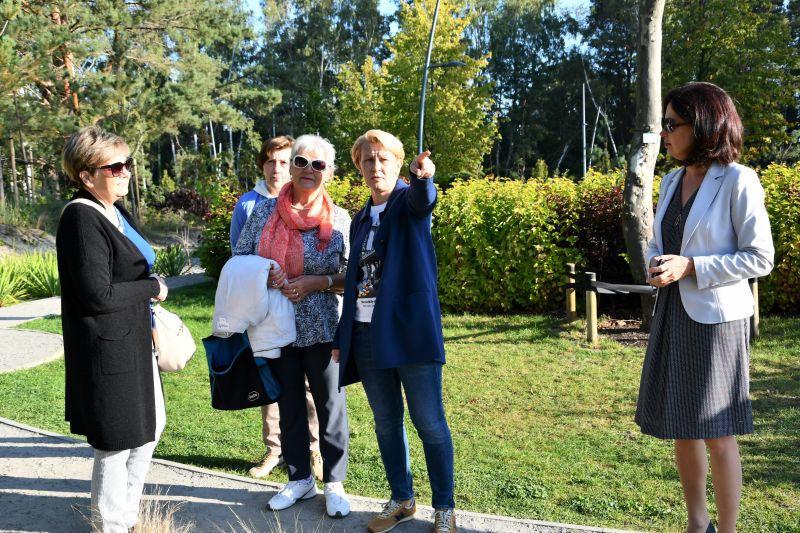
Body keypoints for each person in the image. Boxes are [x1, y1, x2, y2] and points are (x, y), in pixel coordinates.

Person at [637, 82, 774, 533]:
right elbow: (660, 241)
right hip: (673, 313)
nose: (664, 133)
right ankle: (698, 525)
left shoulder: (738, 180)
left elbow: (760, 258)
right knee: (682, 424)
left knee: (718, 431)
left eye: (671, 124)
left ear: (703, 125)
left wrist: (692, 266)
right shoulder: (670, 180)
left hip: (717, 321)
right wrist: (656, 264)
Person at [332, 130, 457, 533]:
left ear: (399, 163)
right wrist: (342, 337)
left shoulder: (407, 202)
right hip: (366, 334)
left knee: (429, 422)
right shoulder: (360, 219)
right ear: (359, 167)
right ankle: (402, 499)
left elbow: (424, 201)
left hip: (410, 333)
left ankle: (445, 507)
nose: (376, 167)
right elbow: (356, 281)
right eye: (368, 160)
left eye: (384, 159)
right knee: (386, 423)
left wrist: (424, 178)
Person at [57, 126, 170, 532]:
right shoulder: (81, 217)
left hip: (134, 340)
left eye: (128, 164)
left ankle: (128, 514)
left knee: (150, 429)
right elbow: (96, 294)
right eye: (115, 167)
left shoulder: (114, 211)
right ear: (87, 176)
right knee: (116, 441)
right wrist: (153, 287)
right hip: (107, 348)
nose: (126, 172)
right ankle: (111, 525)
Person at [233, 134, 352, 518]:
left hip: (322, 327)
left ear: (329, 172)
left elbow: (353, 277)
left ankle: (334, 482)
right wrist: (264, 272)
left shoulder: (339, 219)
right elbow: (239, 259)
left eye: (318, 164)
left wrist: (318, 282)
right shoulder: (264, 213)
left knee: (330, 405)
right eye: (301, 161)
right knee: (288, 405)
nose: (308, 170)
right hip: (274, 327)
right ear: (291, 164)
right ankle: (300, 478)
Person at [230, 135, 323, 481]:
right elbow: (239, 258)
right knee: (270, 380)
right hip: (266, 310)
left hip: (308, 312)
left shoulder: (313, 204)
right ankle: (275, 448)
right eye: (271, 161)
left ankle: (314, 449)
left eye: (285, 161)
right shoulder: (249, 206)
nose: (277, 168)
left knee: (310, 385)